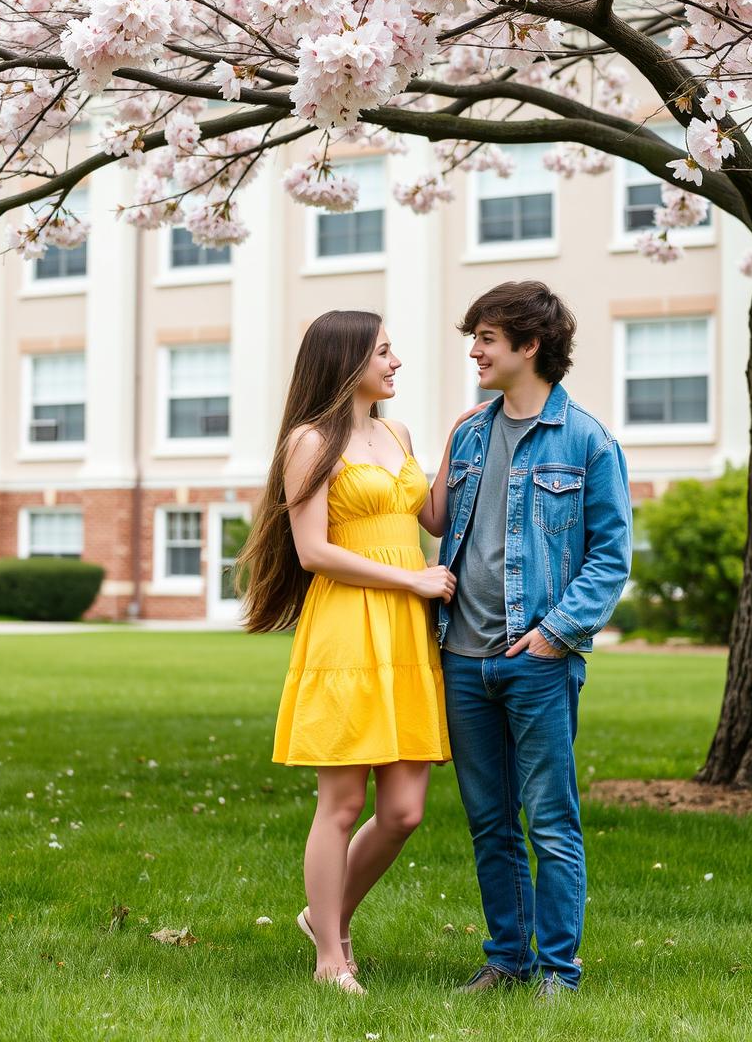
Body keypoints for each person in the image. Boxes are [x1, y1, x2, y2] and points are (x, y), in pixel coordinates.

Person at [238, 310, 457, 995]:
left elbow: (434, 518)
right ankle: (331, 956)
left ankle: (322, 916)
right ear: (346, 360)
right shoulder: (309, 441)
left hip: (405, 634)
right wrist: (413, 578)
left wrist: (458, 439)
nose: (396, 363)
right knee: (339, 804)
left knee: (403, 812)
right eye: (384, 352)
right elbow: (313, 552)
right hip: (346, 629)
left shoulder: (398, 431)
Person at [434, 281, 632, 1000]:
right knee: (490, 823)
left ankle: (558, 971)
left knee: (550, 820)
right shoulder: (471, 432)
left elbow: (611, 556)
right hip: (462, 658)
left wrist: (556, 635)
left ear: (530, 345)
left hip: (537, 661)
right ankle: (507, 960)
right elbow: (438, 523)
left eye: (487, 337)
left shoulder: (586, 441)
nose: (475, 349)